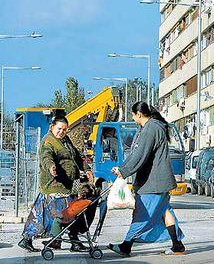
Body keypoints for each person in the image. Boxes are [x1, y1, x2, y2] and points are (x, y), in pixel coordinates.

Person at [108, 101, 185, 257]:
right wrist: (123, 168)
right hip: (160, 181)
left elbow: (140, 154)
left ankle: (126, 246)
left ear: (139, 114)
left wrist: (124, 171)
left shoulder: (151, 128)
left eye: (133, 114)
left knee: (142, 214)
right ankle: (177, 245)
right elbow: (136, 154)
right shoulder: (153, 127)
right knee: (165, 211)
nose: (132, 117)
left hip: (153, 182)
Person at [18, 115, 92, 252]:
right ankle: (71, 241)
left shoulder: (64, 140)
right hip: (55, 185)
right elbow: (47, 157)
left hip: (66, 185)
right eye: (59, 129)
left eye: (64, 129)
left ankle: (33, 239)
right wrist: (51, 167)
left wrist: (86, 169)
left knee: (47, 215)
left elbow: (76, 155)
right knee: (65, 215)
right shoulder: (48, 141)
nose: (62, 132)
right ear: (52, 127)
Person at [44, 183, 96, 247]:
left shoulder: (85, 202)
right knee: (58, 218)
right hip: (77, 220)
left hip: (78, 223)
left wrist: (63, 215)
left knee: (57, 220)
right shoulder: (84, 201)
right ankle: (73, 243)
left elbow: (73, 211)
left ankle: (56, 240)